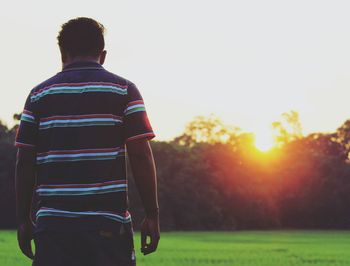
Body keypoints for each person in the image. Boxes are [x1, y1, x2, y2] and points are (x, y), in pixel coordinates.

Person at [15, 17, 160, 266]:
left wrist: (23, 219)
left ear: (62, 52)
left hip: (53, 229)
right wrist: (152, 215)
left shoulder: (38, 95)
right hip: (108, 228)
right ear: (102, 55)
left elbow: (24, 163)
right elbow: (140, 155)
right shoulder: (124, 90)